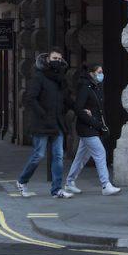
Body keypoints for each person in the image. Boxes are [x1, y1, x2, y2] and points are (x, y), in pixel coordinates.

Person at [15, 48, 74, 199]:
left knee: (58, 156)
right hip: (41, 123)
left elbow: (67, 99)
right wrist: (43, 114)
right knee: (38, 155)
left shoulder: (61, 79)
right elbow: (30, 99)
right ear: (47, 60)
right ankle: (22, 181)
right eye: (54, 58)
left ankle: (56, 190)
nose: (57, 61)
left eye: (60, 59)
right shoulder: (39, 77)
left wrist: (79, 109)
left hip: (57, 123)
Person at [65, 64, 121, 196]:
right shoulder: (85, 87)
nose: (101, 74)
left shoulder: (96, 87)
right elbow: (78, 108)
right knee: (100, 153)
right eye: (98, 72)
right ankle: (105, 184)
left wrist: (100, 124)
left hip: (92, 126)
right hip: (87, 127)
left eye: (102, 71)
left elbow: (98, 110)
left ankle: (69, 182)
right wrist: (93, 120)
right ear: (91, 73)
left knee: (81, 157)